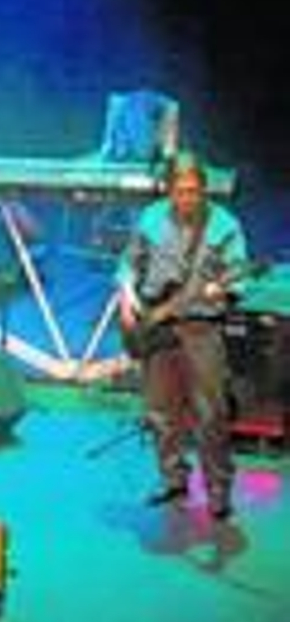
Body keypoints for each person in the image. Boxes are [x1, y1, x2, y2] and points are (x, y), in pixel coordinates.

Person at [116, 149, 251, 522]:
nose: (186, 198)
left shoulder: (224, 225)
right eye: (179, 191)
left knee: (211, 414)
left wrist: (220, 291)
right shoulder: (151, 217)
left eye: (193, 191)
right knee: (161, 412)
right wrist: (127, 298)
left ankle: (219, 490)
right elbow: (129, 263)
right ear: (167, 188)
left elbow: (240, 273)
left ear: (204, 189)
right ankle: (173, 478)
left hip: (200, 327)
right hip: (155, 326)